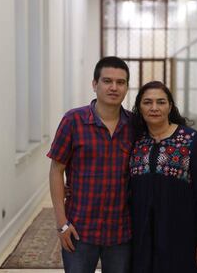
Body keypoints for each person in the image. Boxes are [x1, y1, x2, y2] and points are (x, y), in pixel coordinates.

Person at [47, 56, 133, 273]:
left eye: (120, 82)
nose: (114, 87)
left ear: (127, 87)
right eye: (107, 81)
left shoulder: (135, 125)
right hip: (79, 229)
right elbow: (56, 170)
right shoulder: (73, 121)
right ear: (95, 85)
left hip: (121, 231)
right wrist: (62, 223)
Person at [129, 81, 197, 273]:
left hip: (181, 240)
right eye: (147, 102)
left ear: (170, 106)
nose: (154, 108)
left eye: (161, 102)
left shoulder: (191, 140)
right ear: (139, 107)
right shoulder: (135, 141)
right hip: (141, 241)